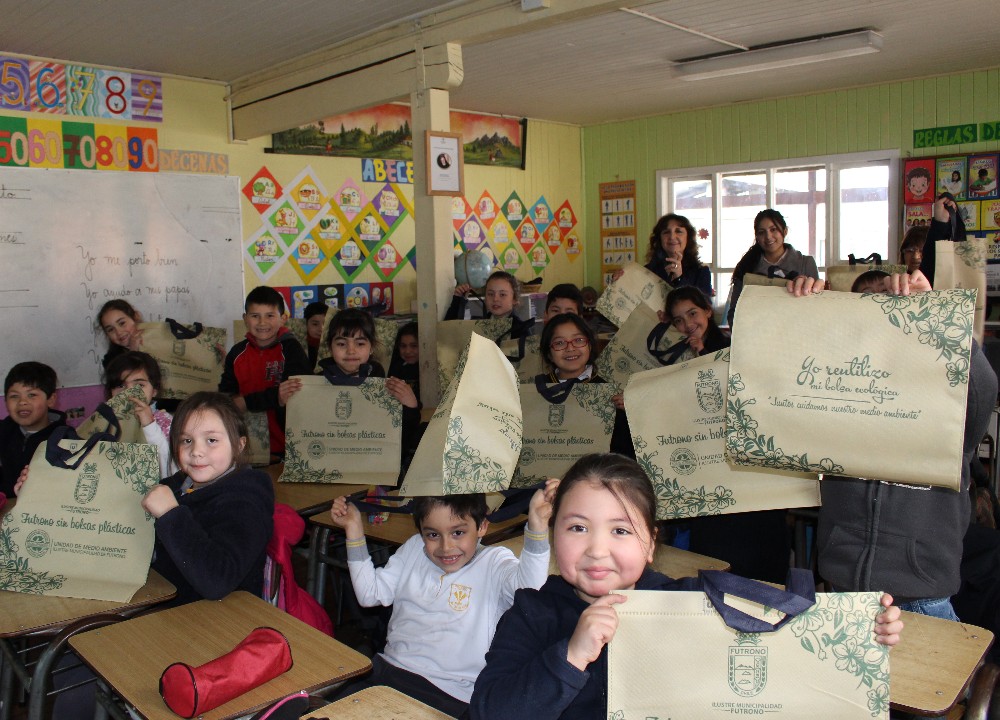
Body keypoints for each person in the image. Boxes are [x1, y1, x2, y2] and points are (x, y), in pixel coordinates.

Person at [469, 453, 904, 720]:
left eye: (621, 531)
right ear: (553, 533)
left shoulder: (690, 603)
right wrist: (571, 655)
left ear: (652, 543)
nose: (597, 550)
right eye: (578, 527)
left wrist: (863, 631)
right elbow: (490, 712)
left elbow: (786, 649)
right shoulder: (530, 613)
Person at [786, 271, 997, 625]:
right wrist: (802, 314)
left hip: (922, 595)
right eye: (864, 305)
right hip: (844, 589)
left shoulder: (940, 400)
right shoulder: (834, 398)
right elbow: (780, 395)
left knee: (934, 680)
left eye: (888, 304)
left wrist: (937, 315)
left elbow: (982, 393)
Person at [328, 482, 557, 716]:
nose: (446, 547)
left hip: (451, 695)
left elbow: (531, 592)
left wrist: (537, 525)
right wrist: (353, 529)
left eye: (458, 532)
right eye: (433, 535)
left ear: (482, 526)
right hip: (387, 672)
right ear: (420, 532)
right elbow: (370, 595)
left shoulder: (495, 562)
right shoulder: (414, 549)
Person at [141, 391, 274, 607]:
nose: (196, 451)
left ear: (239, 445)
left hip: (221, 621)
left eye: (211, 440)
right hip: (168, 607)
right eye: (186, 440)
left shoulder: (246, 502)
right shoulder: (178, 486)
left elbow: (217, 581)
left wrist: (170, 515)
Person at [284, 308, 421, 474]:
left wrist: (411, 406)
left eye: (360, 343)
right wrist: (285, 403)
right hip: (325, 471)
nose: (351, 350)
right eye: (341, 344)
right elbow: (297, 433)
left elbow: (404, 437)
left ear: (371, 348)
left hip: (373, 473)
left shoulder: (387, 388)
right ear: (330, 347)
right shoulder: (313, 386)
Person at [219, 286, 309, 459]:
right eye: (255, 316)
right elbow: (226, 395)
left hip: (289, 445)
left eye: (270, 315)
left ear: (283, 318)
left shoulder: (291, 349)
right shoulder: (237, 353)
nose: (262, 323)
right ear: (245, 319)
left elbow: (294, 393)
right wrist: (232, 401)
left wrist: (246, 402)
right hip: (248, 447)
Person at [537, 314, 633, 457]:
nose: (570, 348)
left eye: (578, 340)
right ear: (549, 354)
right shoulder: (536, 392)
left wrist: (631, 412)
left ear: (589, 345)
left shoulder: (608, 394)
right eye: (559, 343)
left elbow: (623, 453)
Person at [726, 208, 818, 326]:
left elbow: (815, 307)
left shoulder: (806, 263)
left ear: (784, 231)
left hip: (797, 334)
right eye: (761, 232)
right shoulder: (746, 266)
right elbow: (734, 313)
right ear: (757, 237)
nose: (768, 237)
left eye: (773, 229)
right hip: (757, 335)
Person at [104, 351, 175, 477]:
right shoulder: (105, 422)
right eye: (120, 385)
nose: (130, 393)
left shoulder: (166, 423)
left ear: (154, 390)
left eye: (139, 385)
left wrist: (149, 425)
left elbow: (169, 470)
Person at [1, 362, 66, 498]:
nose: (22, 402)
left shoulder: (66, 439)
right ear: (5, 401)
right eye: (14, 396)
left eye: (31, 395)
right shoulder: (3, 432)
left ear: (51, 399)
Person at [446, 270, 533, 339]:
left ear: (514, 299)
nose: (495, 299)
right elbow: (449, 333)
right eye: (491, 294)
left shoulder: (522, 330)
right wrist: (458, 300)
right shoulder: (479, 326)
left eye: (502, 294)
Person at [643, 213, 713, 296]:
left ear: (688, 238)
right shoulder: (647, 271)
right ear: (659, 239)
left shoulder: (701, 272)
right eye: (666, 232)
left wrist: (679, 279)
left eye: (678, 231)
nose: (672, 237)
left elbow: (705, 307)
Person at [662, 286, 729, 362]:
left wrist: (702, 351)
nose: (688, 324)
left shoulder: (728, 348)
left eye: (692, 314)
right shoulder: (677, 347)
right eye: (678, 320)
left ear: (707, 311)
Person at [97, 299, 143, 369]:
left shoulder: (156, 338)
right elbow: (127, 377)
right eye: (111, 329)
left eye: (122, 323)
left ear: (135, 317)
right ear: (107, 334)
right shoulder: (111, 361)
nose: (118, 332)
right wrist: (133, 351)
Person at [387, 321, 420, 398]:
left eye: (414, 346)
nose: (407, 351)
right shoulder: (395, 369)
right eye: (403, 346)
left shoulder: (430, 369)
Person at [303, 301, 329, 369]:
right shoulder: (299, 345)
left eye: (325, 323)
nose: (321, 329)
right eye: (315, 324)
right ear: (305, 323)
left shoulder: (332, 345)